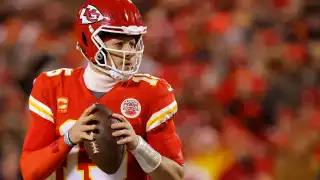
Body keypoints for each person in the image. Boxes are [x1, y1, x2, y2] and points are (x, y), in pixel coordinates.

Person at [20, 0, 184, 179]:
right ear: (91, 42)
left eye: (133, 43)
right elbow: (30, 171)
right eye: (120, 44)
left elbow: (175, 175)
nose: (129, 52)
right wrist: (68, 139)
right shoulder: (53, 87)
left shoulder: (152, 92)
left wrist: (139, 146)